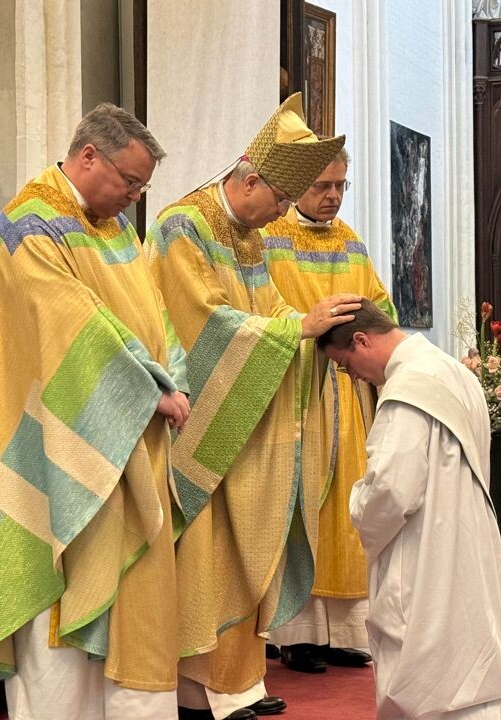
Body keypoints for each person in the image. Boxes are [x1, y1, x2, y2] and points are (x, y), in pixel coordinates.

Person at [0, 103, 192, 719]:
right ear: (89, 155)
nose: (135, 198)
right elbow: (71, 322)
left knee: (130, 599)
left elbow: (152, 311)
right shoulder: (29, 224)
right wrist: (147, 389)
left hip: (126, 438)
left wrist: (171, 375)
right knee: (64, 599)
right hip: (56, 441)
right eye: (130, 181)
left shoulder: (117, 228)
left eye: (142, 187)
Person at [145, 93, 354, 720]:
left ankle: (240, 683)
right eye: (282, 199)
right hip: (202, 414)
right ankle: (195, 690)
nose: (285, 212)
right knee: (208, 552)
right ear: (251, 179)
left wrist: (308, 325)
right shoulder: (183, 226)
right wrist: (295, 330)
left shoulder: (251, 236)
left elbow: (267, 310)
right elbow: (203, 325)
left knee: (246, 548)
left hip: (248, 409)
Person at [321, 300, 501, 720]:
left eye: (345, 364)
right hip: (466, 533)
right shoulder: (454, 372)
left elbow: (391, 490)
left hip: (423, 548)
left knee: (431, 687)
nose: (352, 377)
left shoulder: (405, 391)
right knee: (469, 661)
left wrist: (356, 503)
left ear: (362, 340)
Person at [262, 147, 394, 675]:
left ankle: (343, 633)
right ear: (299, 184)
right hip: (297, 393)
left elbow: (379, 306)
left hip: (348, 391)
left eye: (342, 185)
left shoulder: (351, 242)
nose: (334, 195)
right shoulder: (271, 238)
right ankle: (297, 635)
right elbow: (262, 308)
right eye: (323, 186)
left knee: (347, 513)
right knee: (303, 510)